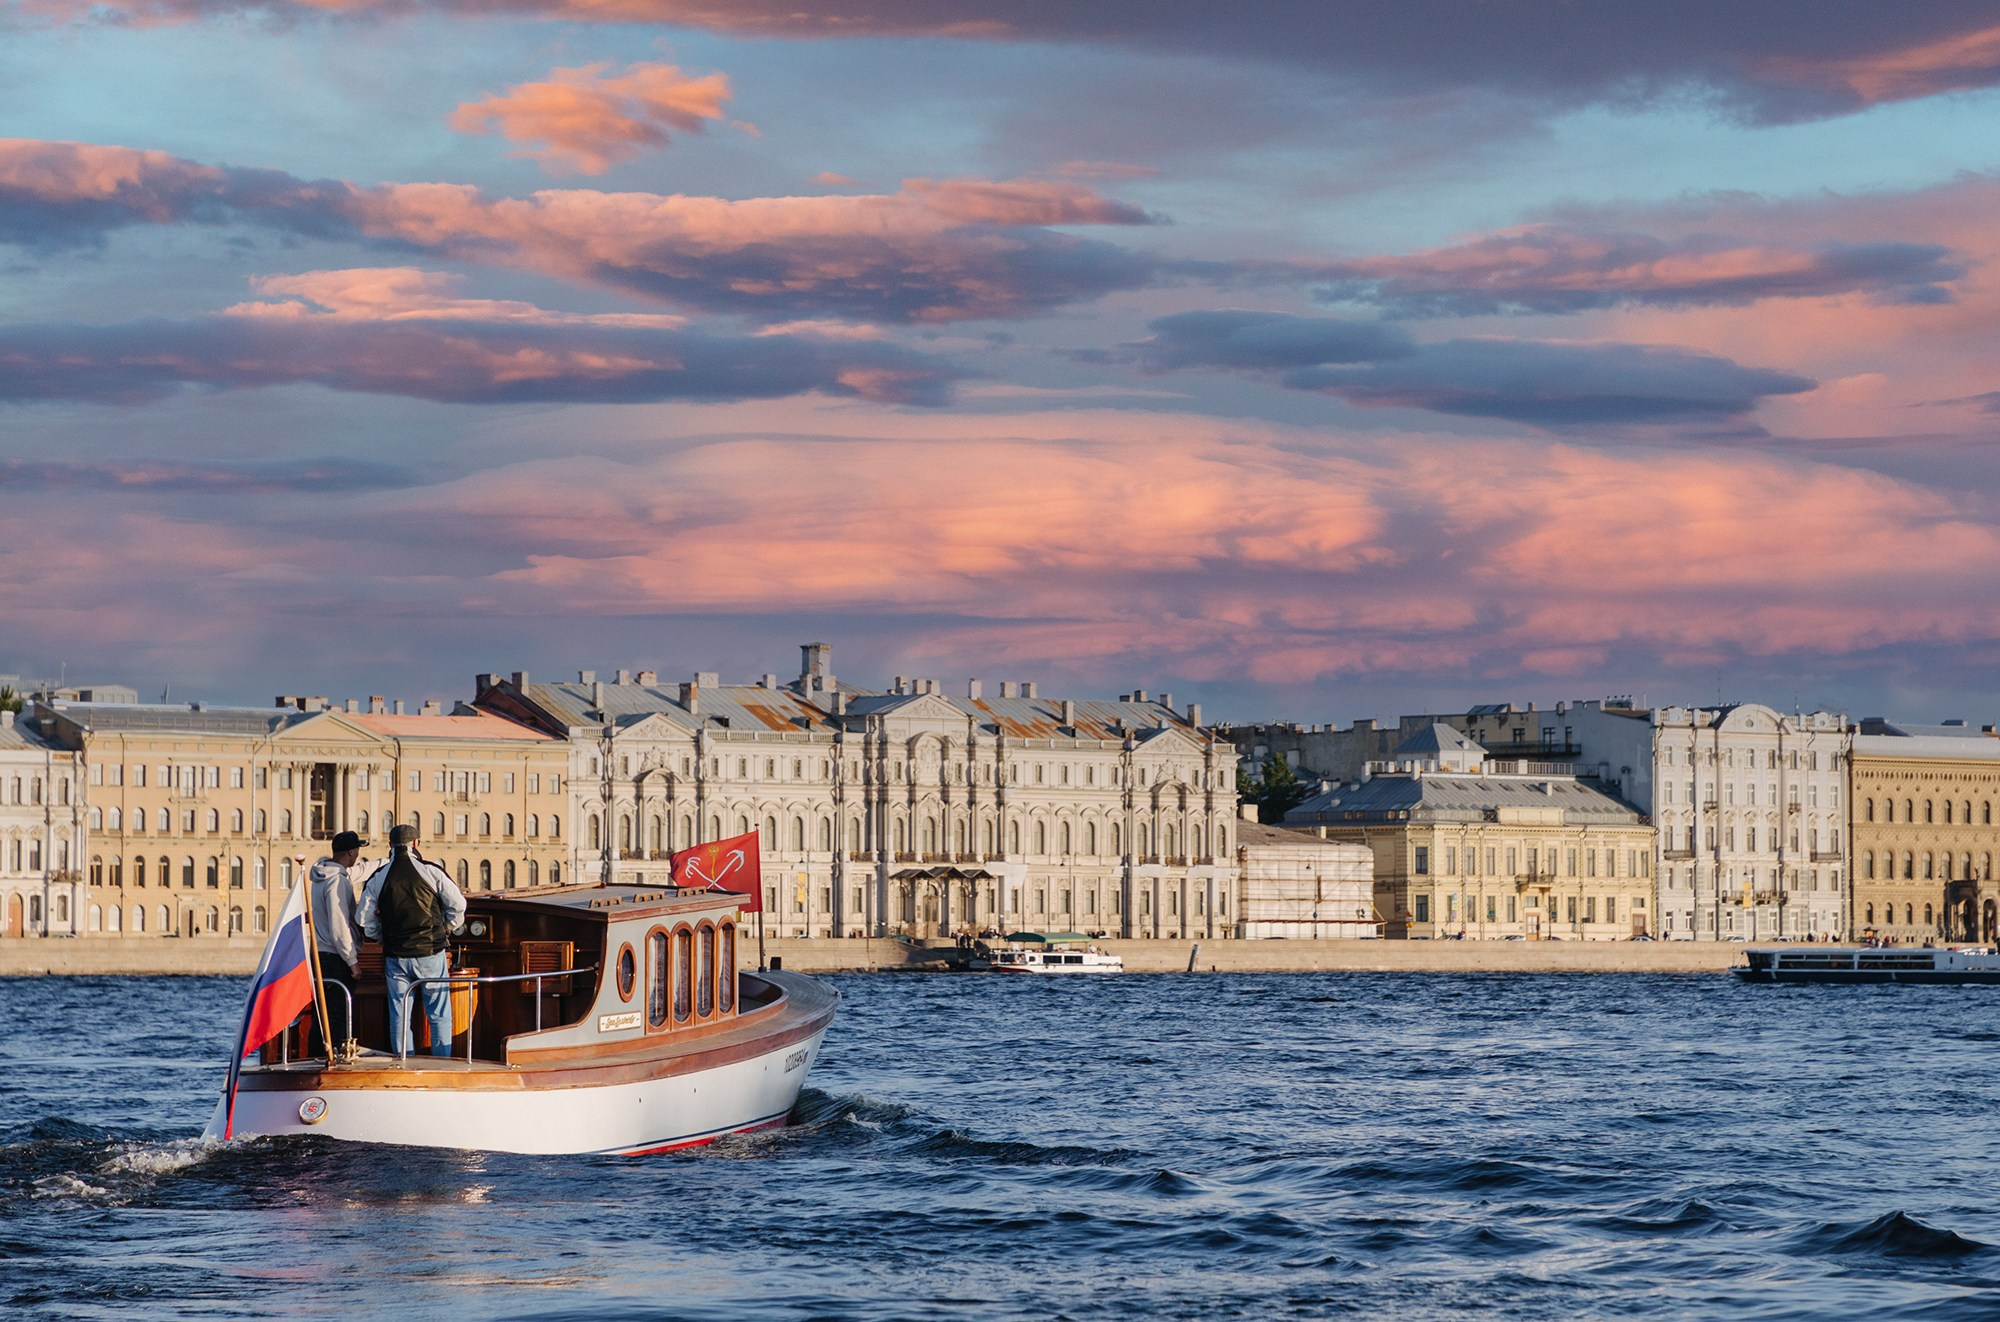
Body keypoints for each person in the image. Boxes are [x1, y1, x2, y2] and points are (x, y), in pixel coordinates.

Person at [357, 824, 466, 1058]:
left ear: (390, 845)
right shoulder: (432, 871)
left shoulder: (379, 877)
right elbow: (458, 905)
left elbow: (363, 918)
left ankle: (403, 1063)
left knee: (400, 1015)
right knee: (438, 1015)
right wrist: (447, 927)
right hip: (430, 951)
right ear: (416, 843)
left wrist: (380, 936)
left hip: (396, 955)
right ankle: (442, 1063)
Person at [308, 830, 367, 1055]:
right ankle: (329, 1059)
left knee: (321, 1012)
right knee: (337, 1012)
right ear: (351, 852)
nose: (357, 856)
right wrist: (352, 961)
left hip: (321, 955)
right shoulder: (337, 881)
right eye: (357, 851)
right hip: (335, 957)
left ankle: (317, 1056)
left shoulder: (321, 874)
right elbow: (339, 925)